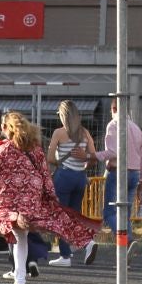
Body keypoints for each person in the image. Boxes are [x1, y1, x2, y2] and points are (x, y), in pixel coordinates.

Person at [0, 113, 102, 284]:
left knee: (12, 230)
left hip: (11, 198)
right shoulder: (35, 149)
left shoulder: (2, 149)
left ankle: (19, 281)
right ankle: (86, 242)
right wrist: (51, 197)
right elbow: (45, 173)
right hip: (32, 194)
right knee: (50, 222)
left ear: (6, 128)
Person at [44, 101, 95, 266]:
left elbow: (50, 158)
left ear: (62, 115)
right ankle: (87, 243)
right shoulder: (85, 133)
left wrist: (61, 163)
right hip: (80, 178)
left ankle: (66, 255)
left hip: (64, 177)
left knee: (61, 217)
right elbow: (93, 157)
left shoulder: (59, 133)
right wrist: (83, 165)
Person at [97, 97, 142, 235]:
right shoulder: (137, 128)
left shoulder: (113, 125)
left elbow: (112, 152)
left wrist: (93, 155)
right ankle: (127, 245)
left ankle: (127, 239)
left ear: (113, 109)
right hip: (135, 173)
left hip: (118, 172)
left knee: (109, 213)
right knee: (125, 213)